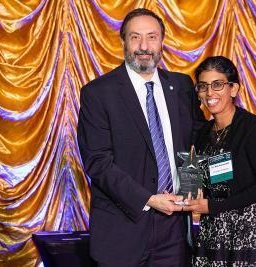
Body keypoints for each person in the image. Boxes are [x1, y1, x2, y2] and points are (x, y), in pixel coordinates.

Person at [77, 8, 203, 267]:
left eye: (152, 37)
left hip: (174, 231)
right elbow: (98, 163)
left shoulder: (181, 86)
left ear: (162, 42)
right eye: (135, 37)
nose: (144, 46)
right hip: (123, 229)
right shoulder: (98, 93)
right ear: (123, 42)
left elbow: (192, 145)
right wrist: (148, 199)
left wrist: (191, 191)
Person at [183, 56, 256, 266]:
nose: (210, 93)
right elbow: (207, 180)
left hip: (248, 232)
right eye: (203, 86)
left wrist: (214, 206)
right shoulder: (203, 133)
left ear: (233, 89)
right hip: (212, 231)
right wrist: (190, 192)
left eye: (217, 84)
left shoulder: (251, 128)